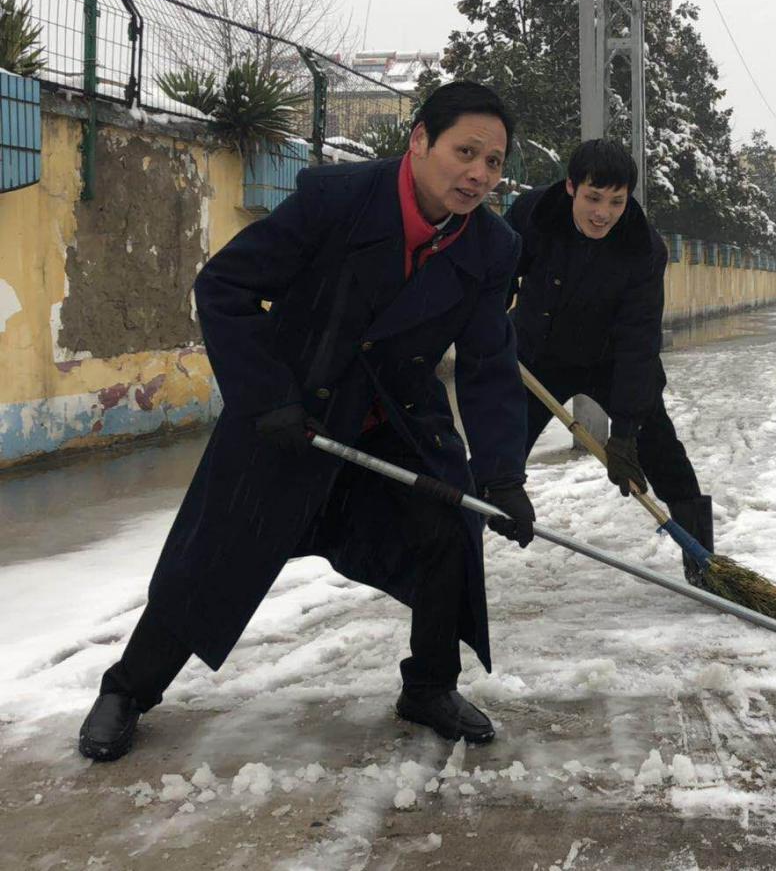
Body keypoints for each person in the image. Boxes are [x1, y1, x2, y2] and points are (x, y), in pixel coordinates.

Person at [78, 81, 535, 761]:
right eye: (465, 152)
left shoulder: (491, 248)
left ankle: (429, 686)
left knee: (446, 527)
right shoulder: (338, 201)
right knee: (222, 546)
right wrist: (267, 398)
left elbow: (488, 365)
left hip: (395, 417)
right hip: (295, 406)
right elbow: (226, 288)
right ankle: (127, 689)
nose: (478, 174)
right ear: (418, 141)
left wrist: (501, 478)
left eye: (493, 162)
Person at [506, 139, 713, 585]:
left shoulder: (643, 249)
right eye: (593, 198)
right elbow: (498, 271)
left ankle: (705, 567)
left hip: (609, 360)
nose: (603, 212)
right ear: (570, 188)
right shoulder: (533, 214)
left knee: (665, 456)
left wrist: (626, 434)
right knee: (496, 452)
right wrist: (487, 318)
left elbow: (638, 342)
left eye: (616, 201)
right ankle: (458, 545)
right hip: (537, 355)